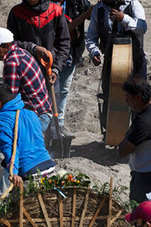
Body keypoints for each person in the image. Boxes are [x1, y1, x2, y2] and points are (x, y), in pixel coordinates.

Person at [0, 28, 53, 165]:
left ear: (7, 46)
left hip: (37, 117)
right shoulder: (20, 52)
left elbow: (8, 102)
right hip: (41, 111)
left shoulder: (12, 63)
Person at [85, 0, 147, 132]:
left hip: (135, 60)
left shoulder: (133, 4)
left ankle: (138, 135)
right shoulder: (99, 8)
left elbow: (142, 27)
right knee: (110, 97)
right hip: (111, 60)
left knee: (140, 98)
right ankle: (113, 134)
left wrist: (124, 19)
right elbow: (91, 35)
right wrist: (94, 51)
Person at [0, 84, 55, 193]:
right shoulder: (31, 114)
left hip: (30, 175)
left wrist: (13, 173)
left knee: (1, 202)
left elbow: (9, 148)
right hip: (49, 169)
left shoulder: (1, 120)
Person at [117, 77, 151, 204]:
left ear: (138, 97)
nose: (126, 101)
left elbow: (122, 150)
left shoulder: (145, 123)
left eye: (127, 97)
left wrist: (128, 134)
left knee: (139, 214)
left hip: (145, 177)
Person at [6, 0, 71, 88]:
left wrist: (56, 69)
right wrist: (33, 48)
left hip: (50, 71)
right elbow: (11, 43)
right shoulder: (16, 12)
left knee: (52, 100)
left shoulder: (55, 11)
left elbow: (64, 42)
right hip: (25, 72)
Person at [58, 0, 93, 133]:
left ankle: (59, 122)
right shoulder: (45, 3)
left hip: (71, 52)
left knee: (64, 88)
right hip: (50, 52)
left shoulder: (79, 3)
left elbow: (93, 15)